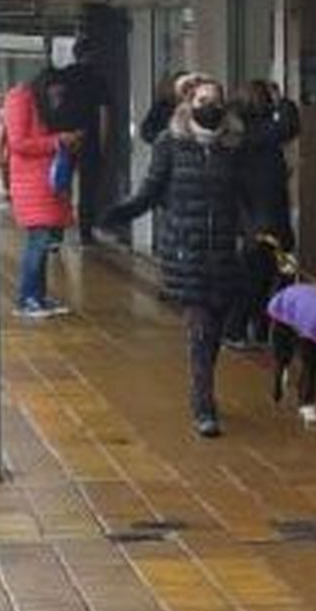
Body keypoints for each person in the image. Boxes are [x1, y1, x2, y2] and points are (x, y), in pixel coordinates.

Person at [101, 76, 247, 438]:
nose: (208, 106)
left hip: (223, 251)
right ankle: (203, 407)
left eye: (215, 100)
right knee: (199, 328)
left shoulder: (232, 147)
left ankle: (204, 387)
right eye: (201, 99)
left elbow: (243, 198)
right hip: (186, 249)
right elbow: (150, 191)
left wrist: (256, 229)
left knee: (214, 330)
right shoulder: (170, 143)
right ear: (188, 104)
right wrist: (119, 214)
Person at [225, 79, 301, 349]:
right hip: (267, 217)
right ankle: (244, 329)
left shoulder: (237, 135)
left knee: (258, 276)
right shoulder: (260, 135)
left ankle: (251, 329)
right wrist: (283, 101)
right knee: (266, 276)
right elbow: (289, 125)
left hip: (252, 217)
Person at [1, 68, 81, 319]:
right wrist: (57, 141)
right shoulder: (20, 99)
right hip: (31, 182)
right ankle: (27, 299)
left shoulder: (36, 103)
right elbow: (18, 143)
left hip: (43, 183)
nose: (58, 99)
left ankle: (38, 296)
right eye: (56, 93)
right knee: (37, 243)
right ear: (46, 86)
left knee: (44, 243)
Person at [56, 34, 113, 245]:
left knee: (62, 183)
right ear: (93, 54)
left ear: (75, 53)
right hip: (89, 139)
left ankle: (57, 231)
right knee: (88, 189)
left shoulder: (64, 76)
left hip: (64, 138)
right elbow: (104, 113)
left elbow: (55, 104)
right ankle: (85, 234)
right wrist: (102, 143)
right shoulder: (98, 79)